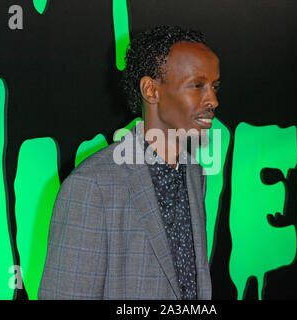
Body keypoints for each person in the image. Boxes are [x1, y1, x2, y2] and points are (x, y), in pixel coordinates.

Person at [38, 25, 220, 299]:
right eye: (197, 85)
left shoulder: (195, 174)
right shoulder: (92, 186)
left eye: (214, 87)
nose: (213, 100)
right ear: (151, 90)